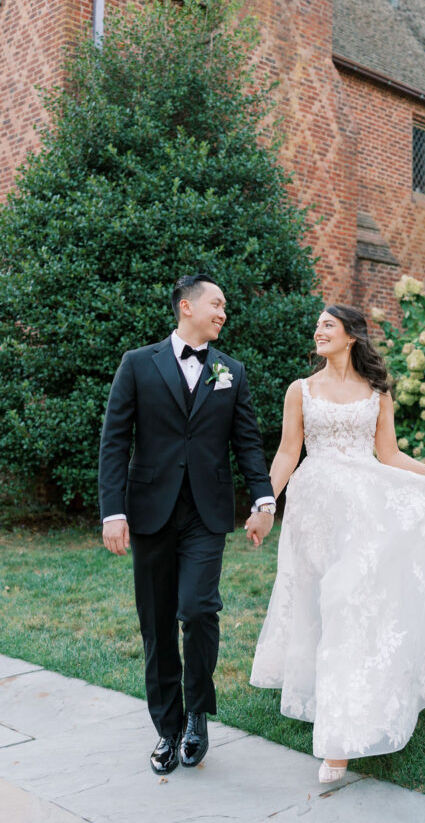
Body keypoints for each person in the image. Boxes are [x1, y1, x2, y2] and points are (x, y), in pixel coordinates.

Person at [251, 304, 425, 784]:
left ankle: (339, 741)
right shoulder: (300, 391)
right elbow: (286, 452)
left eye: (327, 325)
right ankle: (326, 697)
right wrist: (264, 504)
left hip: (364, 506)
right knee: (322, 605)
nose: (317, 331)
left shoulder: (377, 391)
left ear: (351, 337)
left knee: (350, 601)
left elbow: (390, 453)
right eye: (317, 325)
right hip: (314, 510)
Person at [99, 274, 276, 775]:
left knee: (198, 610)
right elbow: (115, 441)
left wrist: (262, 499)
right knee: (156, 623)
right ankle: (167, 728)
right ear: (186, 306)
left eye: (225, 306)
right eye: (216, 304)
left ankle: (197, 712)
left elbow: (247, 442)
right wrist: (114, 512)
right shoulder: (137, 364)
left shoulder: (230, 372)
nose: (223, 313)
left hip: (206, 512)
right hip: (150, 512)